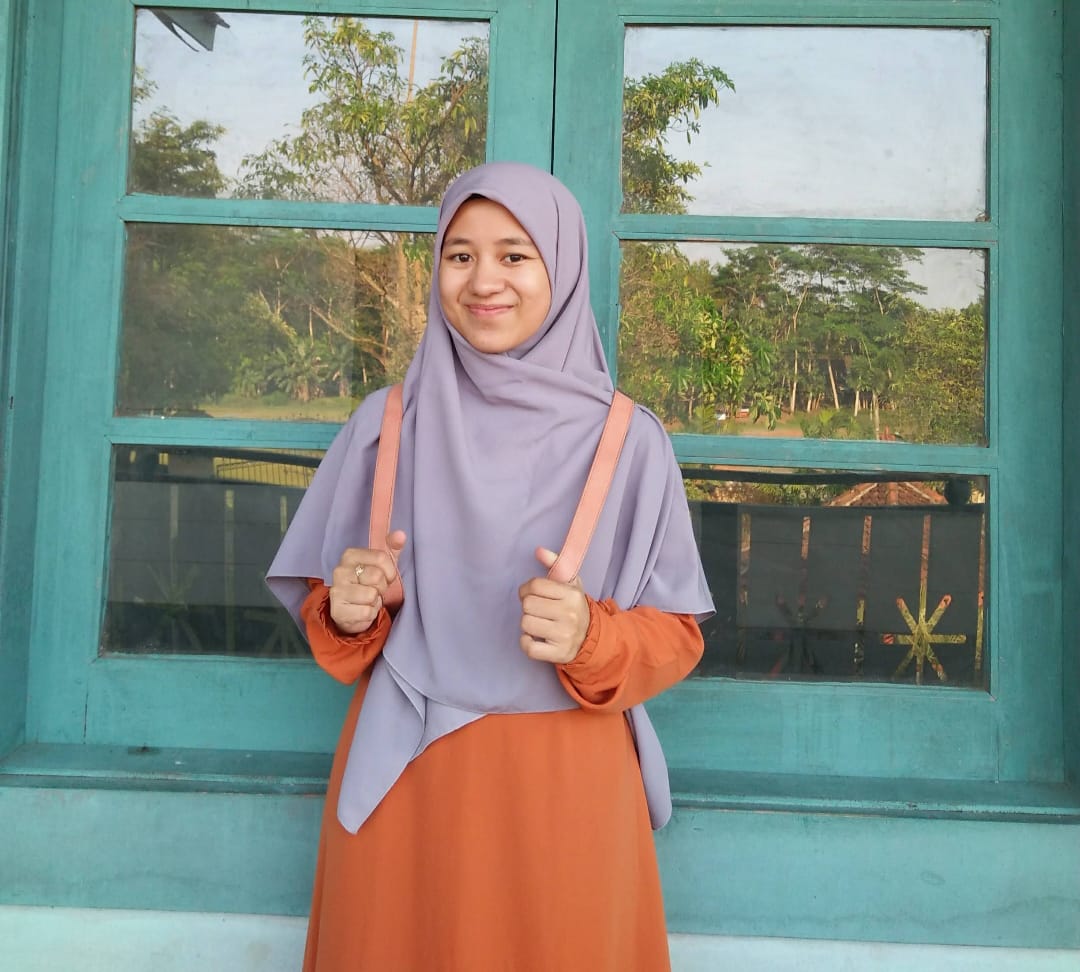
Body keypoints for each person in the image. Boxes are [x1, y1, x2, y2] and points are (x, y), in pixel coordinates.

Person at [267, 161, 714, 971]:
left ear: (563, 266)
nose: (483, 281)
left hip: (564, 796)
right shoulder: (387, 426)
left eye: (514, 255)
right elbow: (330, 617)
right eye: (460, 255)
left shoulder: (630, 441)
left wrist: (591, 637)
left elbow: (676, 635)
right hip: (408, 792)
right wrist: (350, 609)